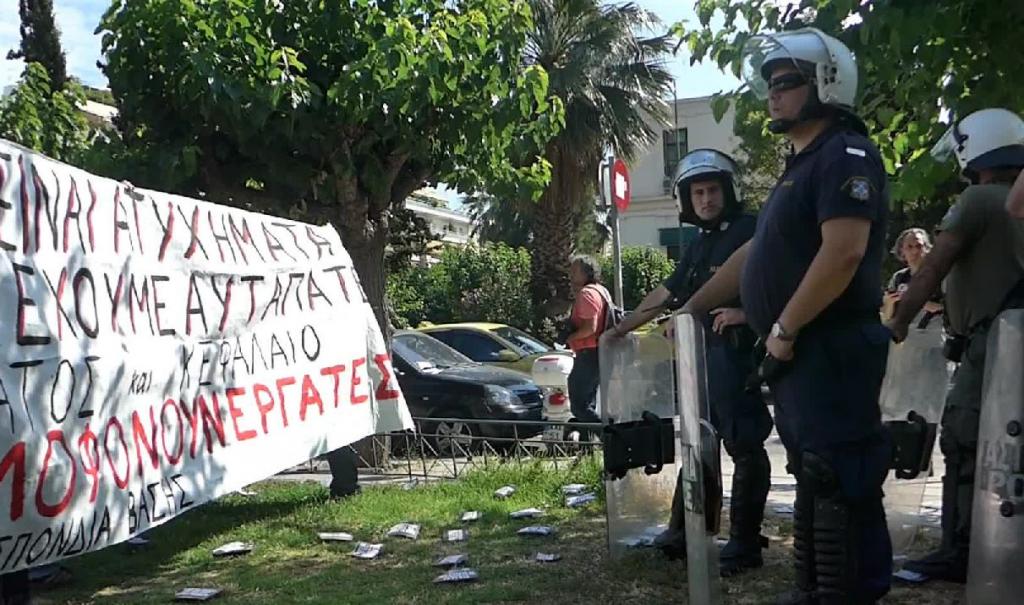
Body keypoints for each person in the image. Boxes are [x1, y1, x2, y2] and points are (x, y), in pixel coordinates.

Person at [677, 28, 892, 604]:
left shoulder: (845, 154)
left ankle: (848, 593)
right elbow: (755, 254)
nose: (772, 94)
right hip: (801, 348)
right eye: (770, 84)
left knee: (839, 473)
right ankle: (813, 590)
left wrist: (784, 328)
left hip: (830, 342)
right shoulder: (802, 165)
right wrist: (689, 309)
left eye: (786, 82)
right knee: (812, 471)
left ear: (827, 83)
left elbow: (843, 252)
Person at [609, 148, 772, 576]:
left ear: (728, 191)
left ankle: (745, 542)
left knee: (745, 446)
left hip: (737, 356)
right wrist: (620, 328)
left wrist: (746, 314)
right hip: (699, 357)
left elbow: (782, 283)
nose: (706, 199)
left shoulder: (751, 229)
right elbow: (666, 292)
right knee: (698, 444)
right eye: (697, 193)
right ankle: (687, 531)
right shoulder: (698, 243)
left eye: (712, 190)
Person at [888, 107, 1024, 583]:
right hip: (1012, 338)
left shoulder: (979, 199)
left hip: (990, 343)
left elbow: (933, 266)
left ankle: (960, 550)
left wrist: (899, 322)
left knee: (965, 441)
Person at [564, 255, 612, 428]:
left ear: (586, 273)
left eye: (574, 271)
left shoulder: (587, 293)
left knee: (579, 406)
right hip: (600, 352)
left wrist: (570, 337)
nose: (570, 275)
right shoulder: (601, 291)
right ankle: (590, 441)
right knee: (588, 403)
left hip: (588, 353)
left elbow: (589, 328)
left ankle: (611, 435)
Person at [882, 228, 943, 323]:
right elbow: (886, 316)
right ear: (902, 251)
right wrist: (890, 303)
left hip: (934, 329)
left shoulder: (940, 276)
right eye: (909, 247)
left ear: (927, 249)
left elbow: (956, 309)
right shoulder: (898, 277)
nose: (915, 251)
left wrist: (930, 306)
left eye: (919, 246)